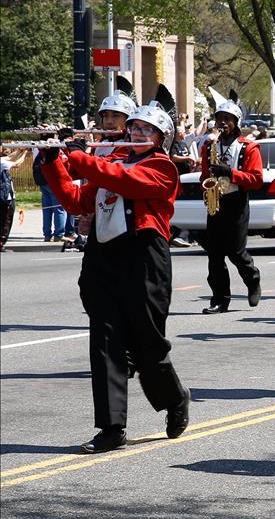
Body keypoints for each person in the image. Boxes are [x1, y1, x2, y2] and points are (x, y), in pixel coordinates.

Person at [38, 85, 191, 453]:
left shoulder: (162, 166)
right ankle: (111, 428)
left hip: (143, 258)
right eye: (134, 128)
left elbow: (125, 183)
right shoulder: (113, 163)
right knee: (105, 343)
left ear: (160, 138)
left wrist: (78, 157)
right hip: (105, 256)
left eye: (146, 130)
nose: (137, 133)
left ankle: (175, 398)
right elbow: (76, 201)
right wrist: (52, 159)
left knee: (146, 344)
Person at [199, 92, 262, 314]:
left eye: (228, 119)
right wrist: (206, 186)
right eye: (220, 119)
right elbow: (204, 175)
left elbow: (256, 179)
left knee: (236, 251)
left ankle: (252, 279)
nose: (223, 123)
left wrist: (231, 173)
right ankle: (219, 299)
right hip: (216, 200)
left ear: (236, 123)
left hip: (236, 200)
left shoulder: (248, 147)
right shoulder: (209, 146)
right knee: (214, 255)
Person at [0, 148, 29, 251]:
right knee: (6, 220)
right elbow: (17, 164)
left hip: (5, 195)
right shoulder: (1, 162)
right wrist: (24, 153)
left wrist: (20, 150)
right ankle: (1, 243)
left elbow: (9, 157)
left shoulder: (2, 160)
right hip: (5, 197)